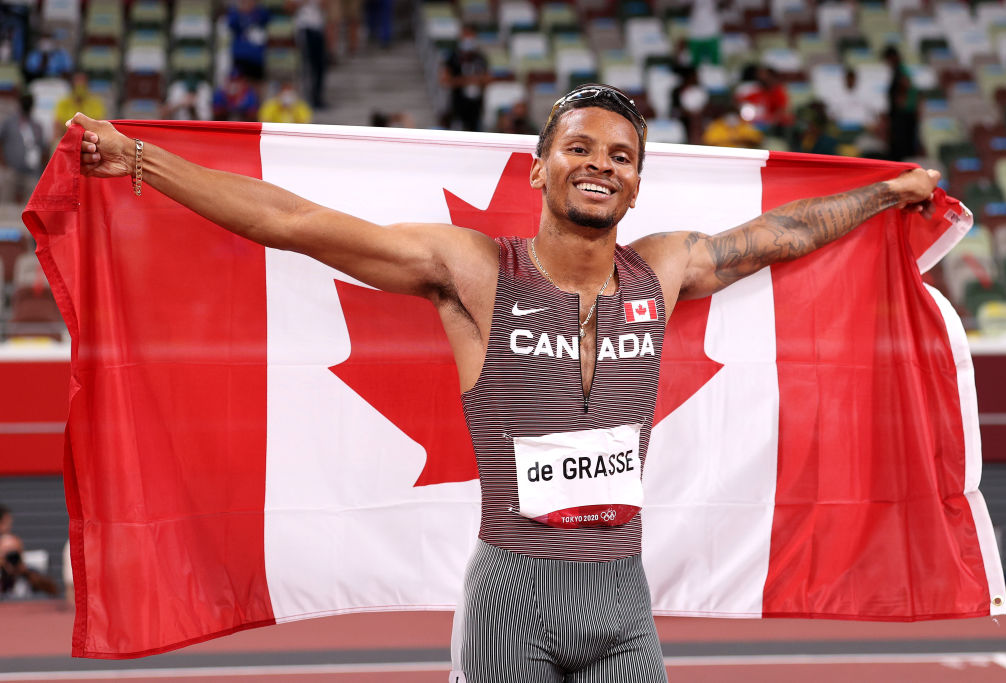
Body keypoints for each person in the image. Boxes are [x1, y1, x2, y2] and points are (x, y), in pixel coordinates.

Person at [68, 83, 939, 681]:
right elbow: (296, 223)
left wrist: (884, 194)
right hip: (510, 601)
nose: (601, 164)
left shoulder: (663, 270)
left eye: (622, 156)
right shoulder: (478, 270)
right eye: (579, 148)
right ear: (540, 167)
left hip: (621, 601)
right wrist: (141, 162)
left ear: (638, 183)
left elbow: (781, 233)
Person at [439, 26, 489, 132]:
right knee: (457, 131)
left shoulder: (480, 58)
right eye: (466, 37)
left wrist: (472, 80)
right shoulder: (452, 57)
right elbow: (445, 80)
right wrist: (469, 80)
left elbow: (487, 78)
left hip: (476, 104)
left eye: (471, 37)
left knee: (476, 132)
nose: (469, 40)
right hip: (458, 103)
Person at [0, 92, 46, 204]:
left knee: (31, 206)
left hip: (31, 173)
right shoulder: (9, 122)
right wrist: (3, 162)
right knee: (5, 204)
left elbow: (43, 149)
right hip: (11, 170)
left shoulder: (37, 125)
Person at [53, 72, 106, 142]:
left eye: (83, 83)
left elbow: (99, 126)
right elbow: (58, 127)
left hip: (90, 140)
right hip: (68, 138)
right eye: (77, 82)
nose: (80, 85)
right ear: (72, 85)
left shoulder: (96, 103)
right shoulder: (63, 103)